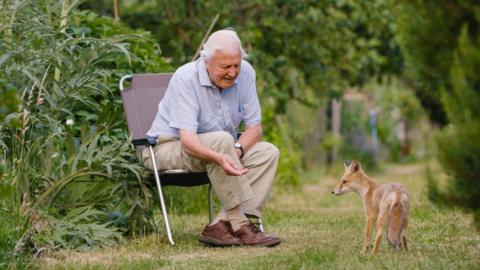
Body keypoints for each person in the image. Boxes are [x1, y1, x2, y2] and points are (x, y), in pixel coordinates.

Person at [142, 28, 281, 247]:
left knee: (268, 152)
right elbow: (188, 140)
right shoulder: (185, 77)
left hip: (218, 146)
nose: (233, 72)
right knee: (220, 140)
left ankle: (219, 225)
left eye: (236, 65)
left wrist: (233, 152)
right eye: (225, 67)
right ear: (207, 61)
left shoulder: (246, 73)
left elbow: (254, 129)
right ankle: (240, 225)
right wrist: (221, 154)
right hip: (164, 150)